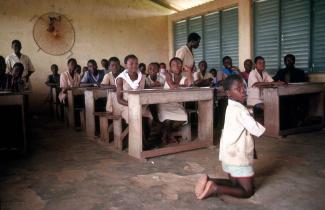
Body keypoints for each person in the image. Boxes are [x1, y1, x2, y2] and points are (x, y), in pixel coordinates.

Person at [195, 74, 265, 199]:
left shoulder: (230, 106)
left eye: (243, 87)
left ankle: (210, 181)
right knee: (248, 191)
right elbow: (257, 130)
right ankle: (215, 188)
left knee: (235, 184)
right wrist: (264, 117)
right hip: (238, 157)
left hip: (229, 154)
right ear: (228, 93)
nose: (243, 91)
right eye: (238, 89)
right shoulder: (240, 110)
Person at [157, 57, 192, 144]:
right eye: (173, 65)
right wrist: (184, 86)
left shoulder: (183, 77)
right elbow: (173, 87)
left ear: (182, 66)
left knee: (184, 117)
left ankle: (166, 134)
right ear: (170, 68)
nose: (176, 66)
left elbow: (190, 84)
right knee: (167, 119)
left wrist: (189, 71)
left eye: (179, 64)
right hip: (165, 103)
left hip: (177, 104)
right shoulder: (169, 75)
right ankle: (167, 136)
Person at [114, 54, 152, 124]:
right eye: (131, 64)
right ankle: (137, 134)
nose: (134, 66)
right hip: (126, 106)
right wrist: (133, 104)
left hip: (140, 105)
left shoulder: (142, 77)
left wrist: (142, 103)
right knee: (135, 118)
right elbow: (119, 99)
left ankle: (147, 133)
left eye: (136, 63)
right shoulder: (121, 79)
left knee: (149, 116)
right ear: (125, 65)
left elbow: (146, 93)